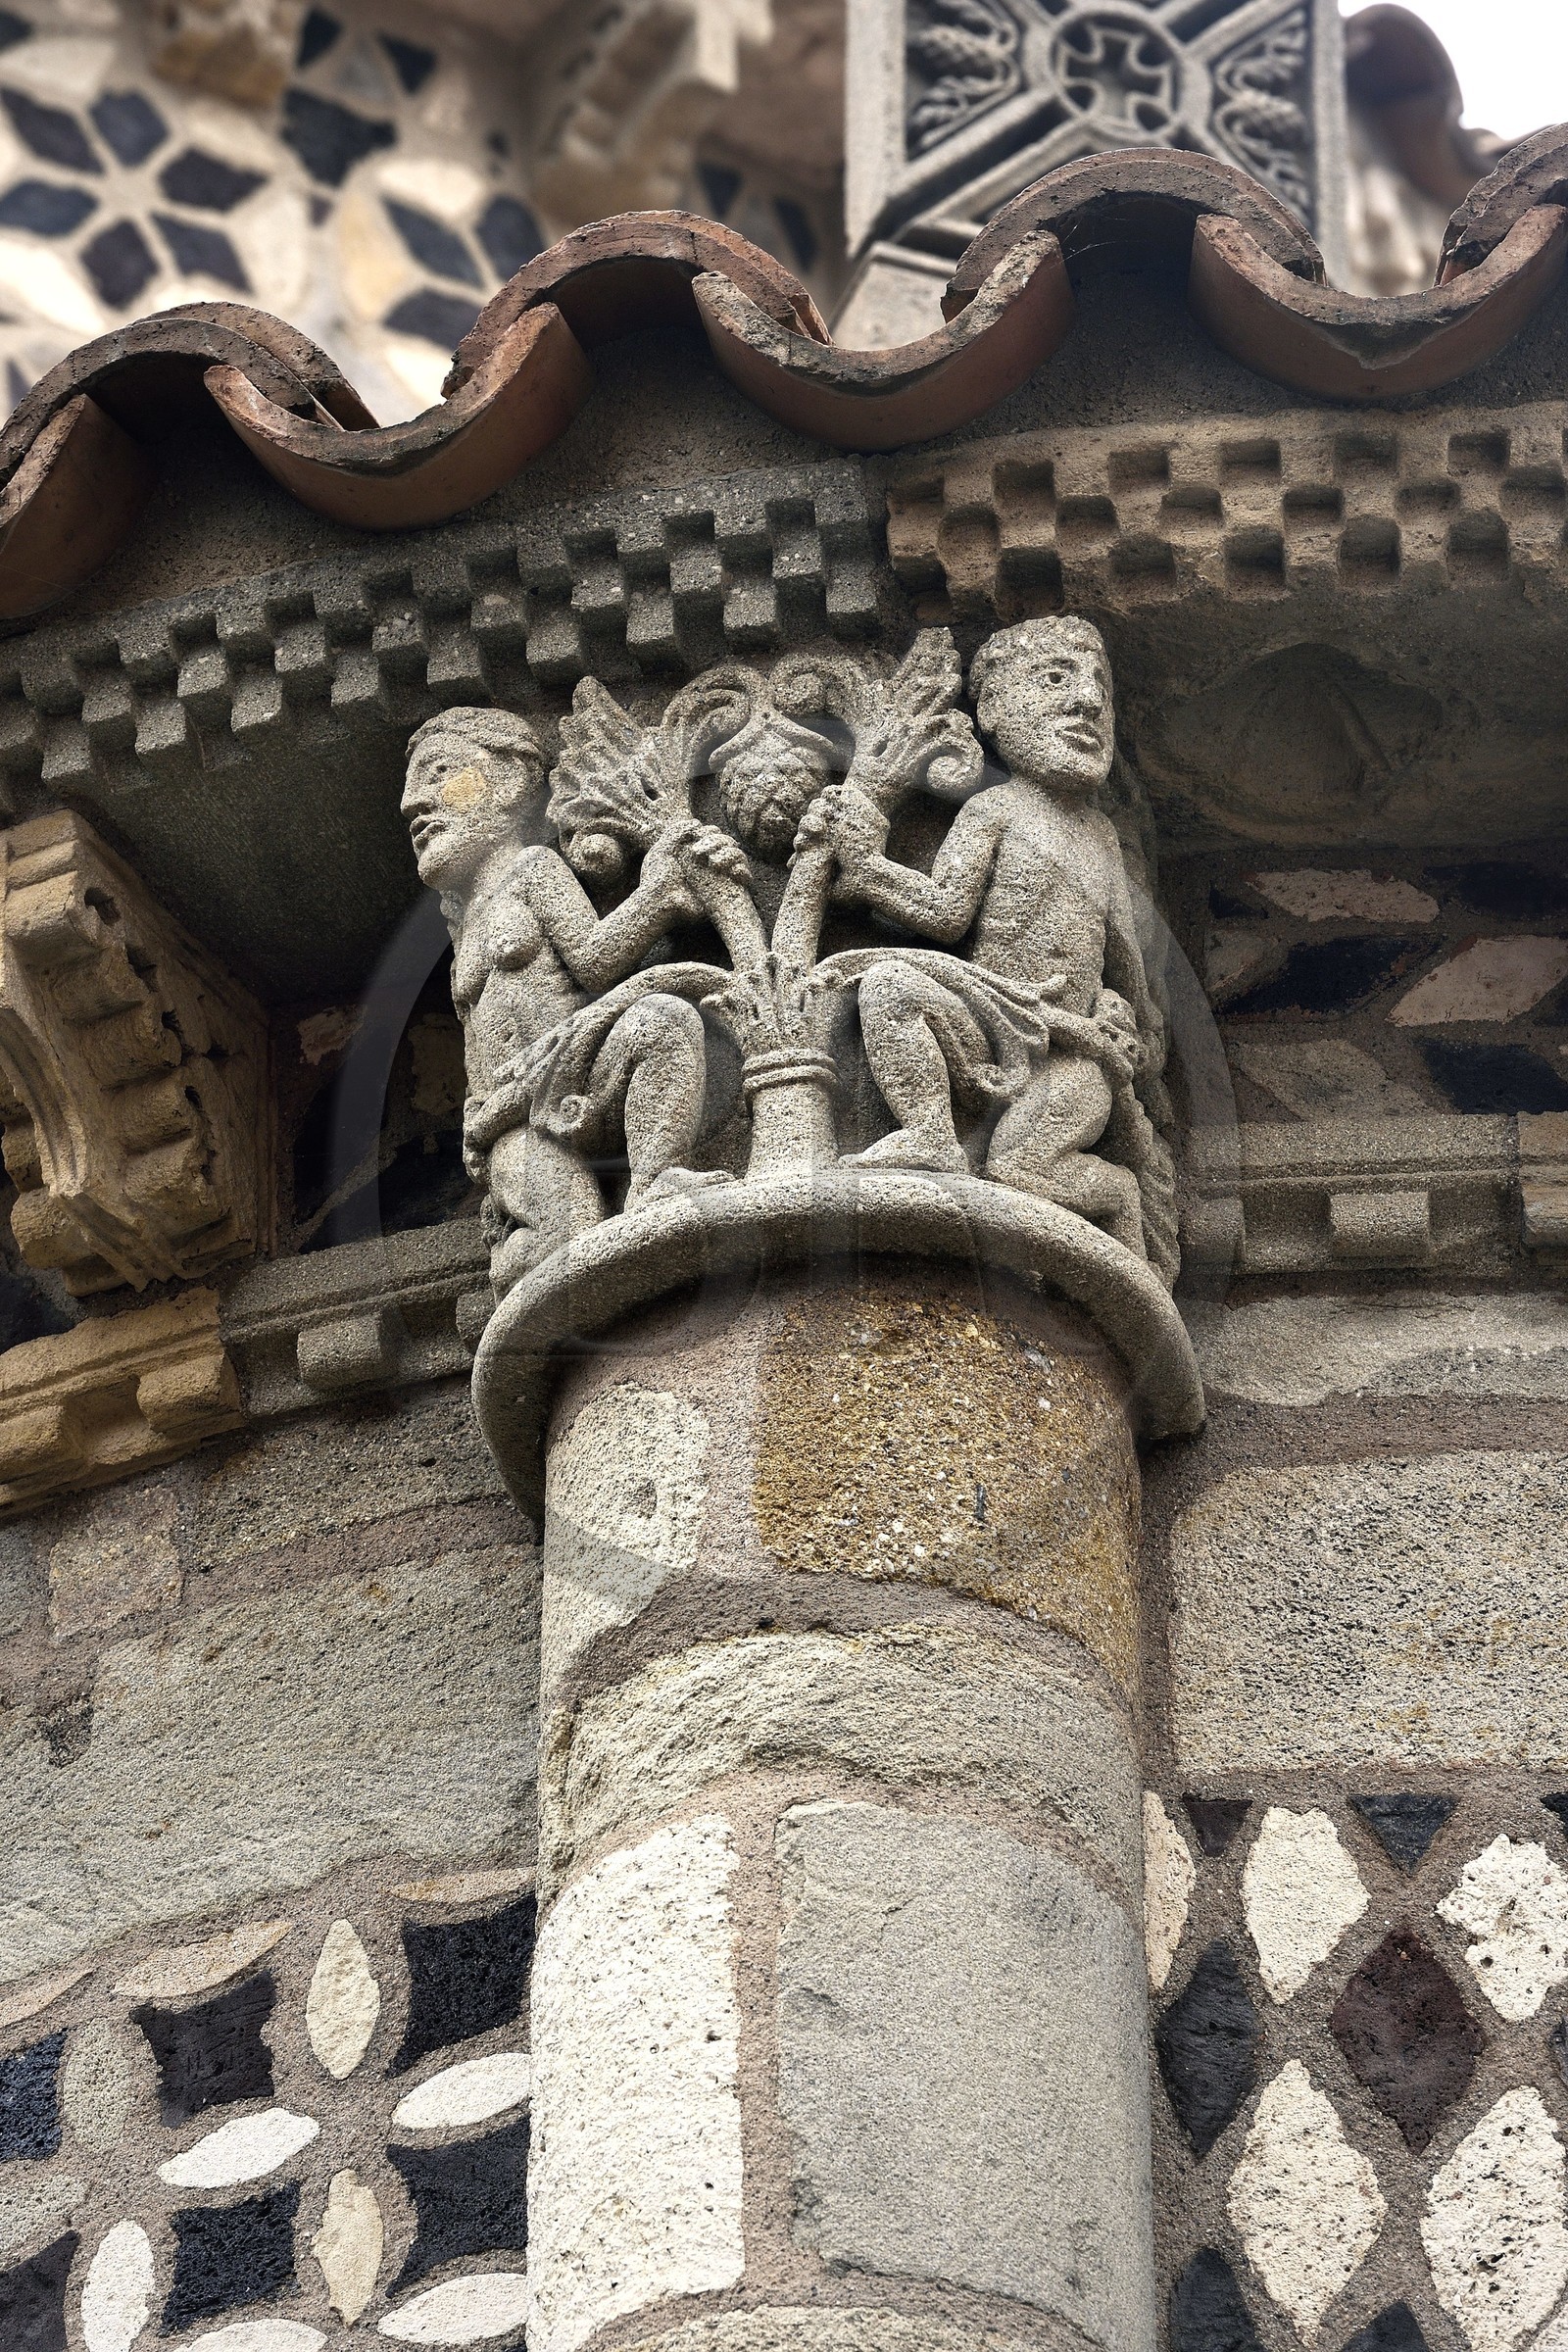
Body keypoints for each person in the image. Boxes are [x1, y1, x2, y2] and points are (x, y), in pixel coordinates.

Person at [797, 616, 1167, 1261]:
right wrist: (867, 863)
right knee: (889, 987)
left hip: (1067, 1057)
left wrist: (1134, 1022)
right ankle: (931, 1131)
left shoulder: (1102, 837)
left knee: (1020, 1168)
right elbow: (944, 912)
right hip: (988, 1018)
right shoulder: (994, 809)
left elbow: (1126, 957)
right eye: (1055, 678)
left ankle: (1121, 1205)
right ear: (992, 709)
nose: (1088, 701)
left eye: (1099, 687)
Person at [401, 706, 743, 1289]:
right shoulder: (462, 925)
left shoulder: (534, 871)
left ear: (509, 781)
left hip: (578, 1072)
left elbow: (594, 956)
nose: (413, 802)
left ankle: (656, 1176)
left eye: (438, 773)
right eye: (412, 786)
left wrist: (655, 896)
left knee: (661, 1022)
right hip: (514, 1122)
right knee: (570, 1237)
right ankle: (517, 1280)